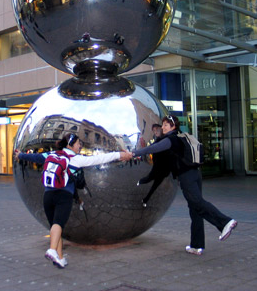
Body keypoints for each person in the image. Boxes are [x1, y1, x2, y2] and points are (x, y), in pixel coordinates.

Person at [14, 133, 132, 268]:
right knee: (58, 224)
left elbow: (35, 157)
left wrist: (20, 155)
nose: (80, 146)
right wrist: (119, 155)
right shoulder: (76, 159)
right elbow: (100, 159)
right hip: (63, 196)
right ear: (70, 144)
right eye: (78, 144)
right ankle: (52, 250)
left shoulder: (52, 154)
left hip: (48, 195)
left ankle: (60, 258)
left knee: (54, 227)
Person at [132, 115, 237, 256]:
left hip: (187, 175)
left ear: (173, 126)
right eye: (163, 125)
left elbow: (155, 148)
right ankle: (196, 245)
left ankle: (225, 222)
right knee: (195, 210)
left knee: (197, 203)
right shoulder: (182, 136)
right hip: (196, 173)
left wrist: (134, 153)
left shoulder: (172, 139)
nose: (163, 127)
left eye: (166, 125)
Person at [137, 123, 171, 207]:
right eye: (154, 131)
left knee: (155, 185)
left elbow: (153, 148)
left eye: (157, 129)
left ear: (161, 128)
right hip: (157, 167)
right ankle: (139, 182)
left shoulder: (165, 139)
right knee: (148, 179)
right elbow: (151, 148)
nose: (155, 132)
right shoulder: (158, 139)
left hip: (163, 168)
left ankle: (145, 199)